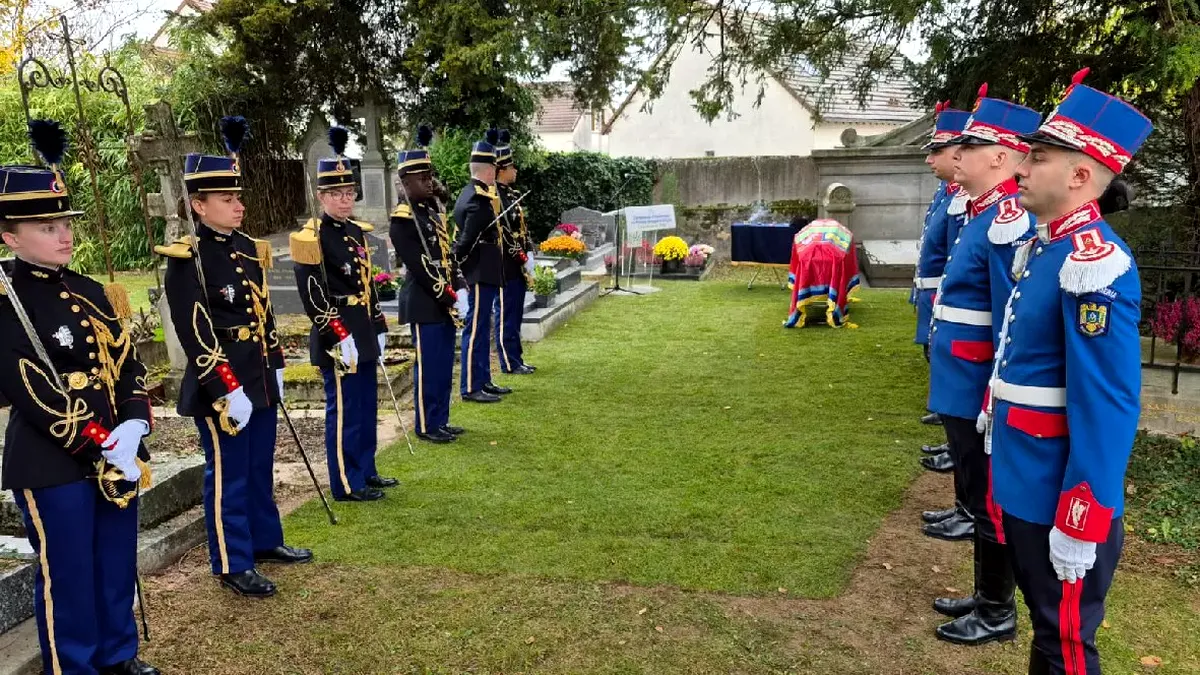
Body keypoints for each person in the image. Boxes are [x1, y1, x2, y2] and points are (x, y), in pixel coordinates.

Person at [990, 69, 1152, 674]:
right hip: (1026, 470)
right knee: (1045, 625)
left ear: (1081, 176)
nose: (1020, 169)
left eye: (1036, 158)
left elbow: (1107, 402)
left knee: (1065, 642)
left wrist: (1083, 511)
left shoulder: (1095, 262)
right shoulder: (1051, 246)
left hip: (1059, 484)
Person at [0, 120, 160, 675]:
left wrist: (135, 425)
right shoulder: (8, 299)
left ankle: (119, 654)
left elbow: (128, 365)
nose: (64, 234)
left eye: (65, 222)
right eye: (46, 226)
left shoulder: (92, 291)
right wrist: (100, 443)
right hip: (53, 462)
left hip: (116, 449)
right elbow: (30, 389)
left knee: (114, 561)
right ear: (10, 236)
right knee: (67, 572)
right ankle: (75, 666)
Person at [157, 116, 311, 599]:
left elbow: (261, 314)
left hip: (259, 376)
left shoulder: (246, 248)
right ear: (198, 205)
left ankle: (265, 541)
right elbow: (195, 334)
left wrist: (277, 364)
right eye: (227, 199)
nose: (238, 205)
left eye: (238, 197)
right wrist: (227, 389)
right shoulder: (188, 260)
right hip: (222, 387)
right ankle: (231, 559)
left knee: (260, 466)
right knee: (229, 474)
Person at [925, 85, 1041, 646]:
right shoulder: (981, 213)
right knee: (977, 495)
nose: (956, 156)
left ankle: (997, 610)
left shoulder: (1006, 220)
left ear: (999, 156)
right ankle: (987, 594)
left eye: (969, 147)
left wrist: (995, 392)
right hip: (960, 376)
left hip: (977, 382)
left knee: (988, 501)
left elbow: (1006, 319)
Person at [290, 126, 396, 501]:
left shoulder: (355, 232)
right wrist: (340, 334)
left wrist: (379, 324)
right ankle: (346, 483)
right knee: (345, 414)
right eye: (336, 194)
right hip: (338, 339)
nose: (345, 199)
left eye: (349, 192)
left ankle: (366, 470)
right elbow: (313, 295)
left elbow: (367, 285)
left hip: (362, 332)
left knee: (366, 408)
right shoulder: (310, 237)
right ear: (321, 196)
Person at [390, 125, 471, 443]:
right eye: (422, 179)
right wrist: (447, 295)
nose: (429, 182)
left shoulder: (430, 212)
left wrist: (460, 285)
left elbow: (447, 256)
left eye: (429, 177)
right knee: (429, 366)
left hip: (444, 300)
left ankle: (441, 418)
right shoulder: (403, 218)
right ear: (406, 182)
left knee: (442, 365)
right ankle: (426, 423)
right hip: (425, 302)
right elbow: (420, 266)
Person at [915, 102, 973, 530]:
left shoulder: (992, 212)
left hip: (968, 337)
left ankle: (969, 510)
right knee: (957, 421)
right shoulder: (952, 197)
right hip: (946, 312)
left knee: (969, 435)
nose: (935, 159)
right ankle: (965, 502)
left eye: (945, 150)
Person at [454, 129, 511, 403]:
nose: (495, 173)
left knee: (482, 331)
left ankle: (483, 379)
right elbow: (465, 242)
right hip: (478, 272)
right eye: (494, 168)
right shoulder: (477, 199)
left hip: (483, 272)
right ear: (488, 170)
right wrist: (458, 267)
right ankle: (469, 386)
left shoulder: (475, 194)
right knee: (475, 331)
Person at [491, 130, 537, 375]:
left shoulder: (512, 195)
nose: (515, 170)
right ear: (500, 170)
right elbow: (504, 233)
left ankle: (516, 358)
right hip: (505, 265)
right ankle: (508, 362)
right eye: (511, 166)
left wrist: (529, 252)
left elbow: (521, 229)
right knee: (506, 316)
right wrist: (519, 255)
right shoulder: (495, 197)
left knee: (515, 314)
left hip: (517, 265)